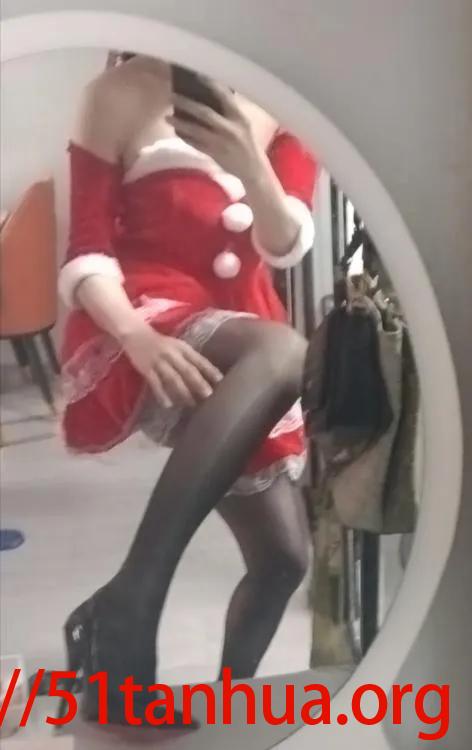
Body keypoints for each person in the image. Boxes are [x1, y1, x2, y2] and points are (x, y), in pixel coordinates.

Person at [58, 52, 318, 727]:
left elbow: (286, 243)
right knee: (283, 353)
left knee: (283, 560)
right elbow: (85, 252)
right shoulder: (116, 92)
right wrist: (135, 337)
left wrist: (249, 161)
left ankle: (226, 708)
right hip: (150, 316)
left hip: (246, 326)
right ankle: (133, 598)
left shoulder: (288, 98)